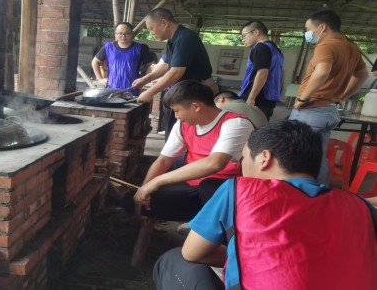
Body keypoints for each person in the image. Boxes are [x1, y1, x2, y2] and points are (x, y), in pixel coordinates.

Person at [153, 120, 377, 290]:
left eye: (244, 157)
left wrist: (242, 255)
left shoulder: (241, 190)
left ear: (264, 158)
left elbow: (193, 252)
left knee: (173, 259)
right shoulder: (360, 207)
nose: (241, 165)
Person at [132, 80, 254, 221]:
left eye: (177, 111)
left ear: (195, 106)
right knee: (138, 199)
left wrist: (157, 181)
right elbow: (164, 159)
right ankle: (198, 221)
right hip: (193, 182)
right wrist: (144, 189)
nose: (176, 116)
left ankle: (212, 230)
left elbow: (214, 164)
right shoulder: (183, 125)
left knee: (208, 188)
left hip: (222, 187)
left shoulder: (235, 124)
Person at [289, 10, 368, 186]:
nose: (307, 33)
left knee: (298, 155)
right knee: (318, 156)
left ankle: (299, 194)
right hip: (329, 110)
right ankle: (319, 193)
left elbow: (322, 71)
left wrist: (302, 99)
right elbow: (362, 74)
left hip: (312, 109)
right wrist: (343, 95)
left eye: (308, 29)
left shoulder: (326, 45)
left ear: (322, 27)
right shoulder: (351, 47)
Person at [132, 8, 217, 140]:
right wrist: (145, 79)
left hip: (197, 93)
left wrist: (150, 92)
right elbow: (167, 65)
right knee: (174, 132)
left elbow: (176, 71)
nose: (151, 33)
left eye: (151, 28)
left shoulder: (184, 38)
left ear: (164, 23)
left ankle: (179, 160)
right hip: (184, 92)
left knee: (186, 135)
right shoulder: (173, 40)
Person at [91, 22, 153, 96]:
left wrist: (145, 80)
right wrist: (100, 78)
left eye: (127, 33)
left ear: (132, 33)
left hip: (133, 90)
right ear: (115, 34)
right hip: (111, 90)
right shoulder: (108, 47)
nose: (123, 36)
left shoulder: (140, 48)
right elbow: (95, 62)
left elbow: (150, 65)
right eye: (120, 33)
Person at [238, 21, 284, 120]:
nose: (243, 39)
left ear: (256, 32)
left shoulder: (260, 48)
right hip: (269, 98)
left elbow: (262, 73)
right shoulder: (275, 49)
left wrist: (251, 98)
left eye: (244, 35)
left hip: (257, 97)